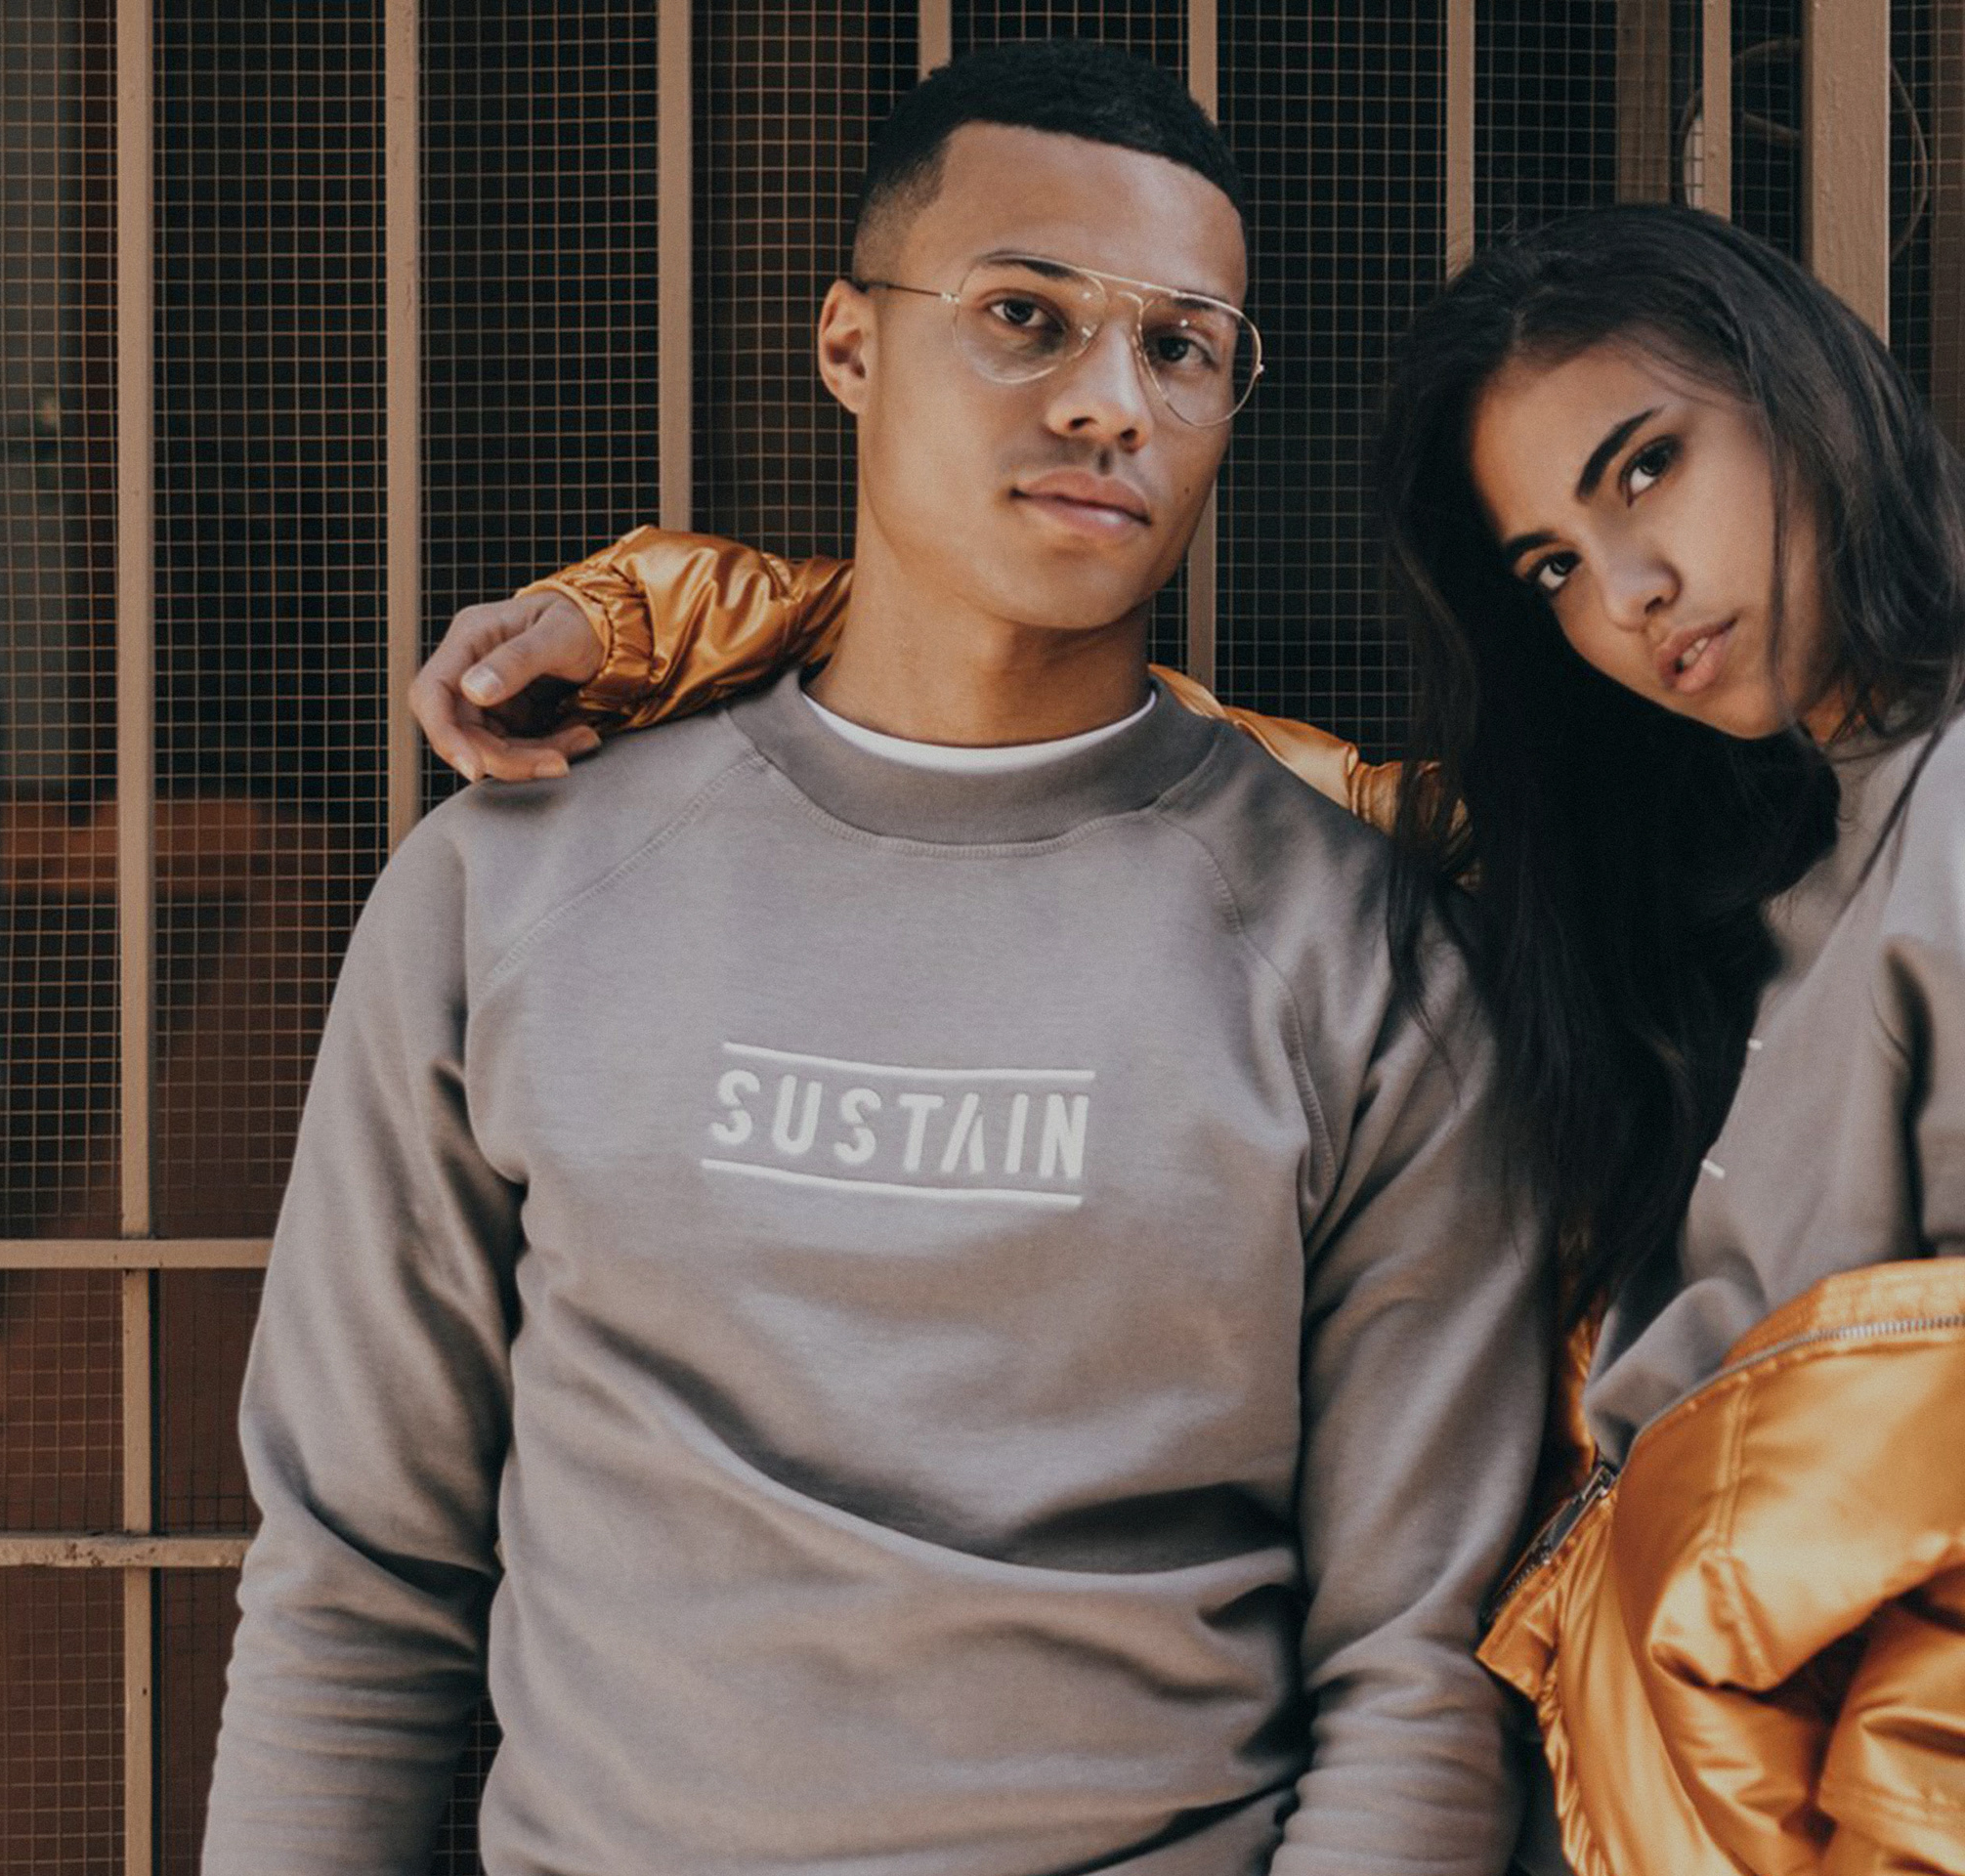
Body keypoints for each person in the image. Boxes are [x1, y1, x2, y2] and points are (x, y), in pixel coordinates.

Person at [426, 206, 1965, 1873]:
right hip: (1668, 1753)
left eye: (1652, 469)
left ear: (1808, 398)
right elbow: (1187, 771)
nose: (1629, 590)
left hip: (1887, 1788)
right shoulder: (1761, 830)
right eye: (1553, 561)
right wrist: (672, 621)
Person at [206, 41, 1544, 1876]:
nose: (1110, 402)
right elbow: (353, 1580)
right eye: (1024, 315)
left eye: (1181, 348)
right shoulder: (505, 888)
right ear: (850, 344)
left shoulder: (1361, 950)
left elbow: (1417, 1678)